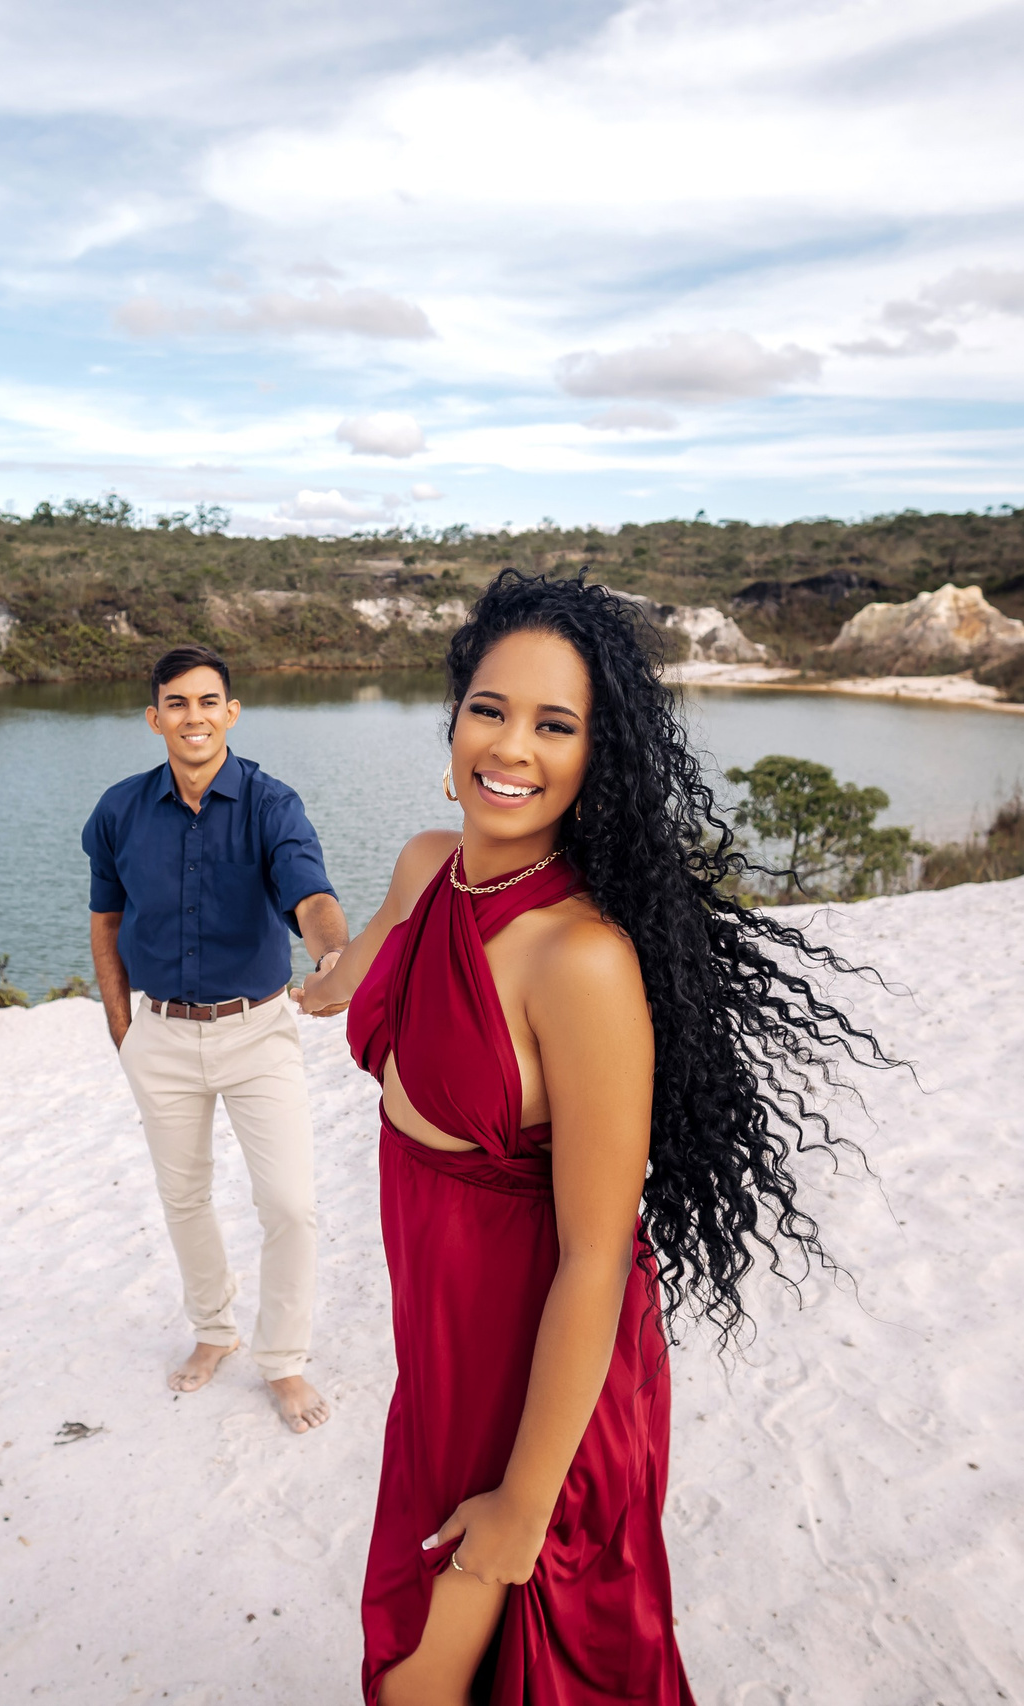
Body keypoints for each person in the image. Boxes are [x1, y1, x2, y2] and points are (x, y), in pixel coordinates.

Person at [300, 572, 886, 1703]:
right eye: (489, 708)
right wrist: (308, 969)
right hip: (440, 1356)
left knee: (432, 1679)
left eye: (554, 724)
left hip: (542, 1379)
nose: (511, 746)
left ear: (596, 754)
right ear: (454, 720)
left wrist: (526, 1503)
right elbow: (356, 969)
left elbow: (597, 1255)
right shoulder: (425, 867)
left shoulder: (581, 960)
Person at [85, 644, 351, 1434]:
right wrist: (122, 1028)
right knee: (184, 1197)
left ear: (231, 712)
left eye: (208, 701)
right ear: (154, 718)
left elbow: (311, 895)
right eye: (176, 702)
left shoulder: (273, 805)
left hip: (258, 1031)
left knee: (290, 1205)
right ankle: (212, 1330)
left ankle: (284, 1360)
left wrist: (333, 956)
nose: (193, 716)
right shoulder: (118, 811)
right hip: (160, 1035)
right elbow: (105, 923)